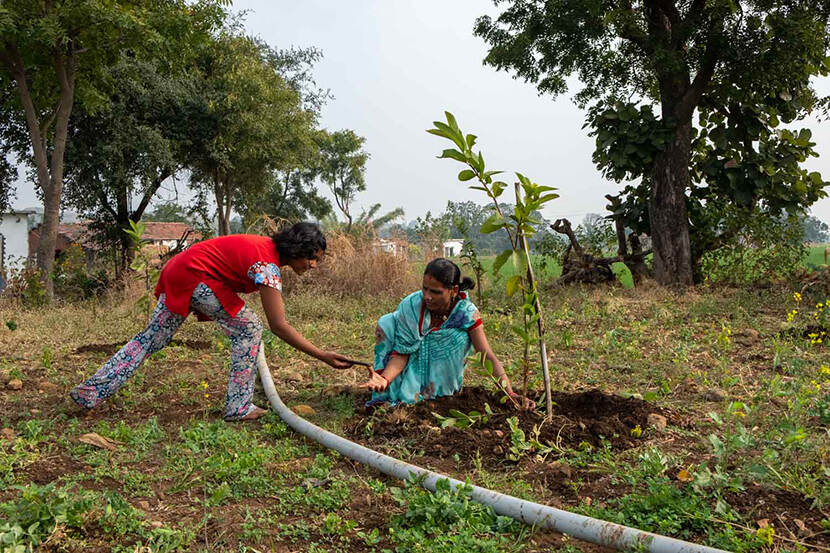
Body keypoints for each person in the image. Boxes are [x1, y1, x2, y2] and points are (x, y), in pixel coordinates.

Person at [69, 222, 354, 421]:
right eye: (312, 258)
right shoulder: (267, 265)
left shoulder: (265, 251)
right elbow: (278, 325)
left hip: (178, 271)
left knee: (150, 340)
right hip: (197, 277)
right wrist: (323, 356)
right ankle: (239, 406)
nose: (313, 265)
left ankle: (91, 390)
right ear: (296, 250)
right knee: (249, 329)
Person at [361, 258, 534, 408]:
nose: (427, 296)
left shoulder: (466, 313)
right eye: (425, 289)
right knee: (388, 323)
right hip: (407, 365)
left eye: (435, 292)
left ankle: (438, 395)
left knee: (455, 336)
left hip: (442, 378)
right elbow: (402, 353)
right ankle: (395, 392)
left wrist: (509, 392)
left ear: (454, 291)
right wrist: (385, 379)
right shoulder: (412, 306)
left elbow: (486, 355)